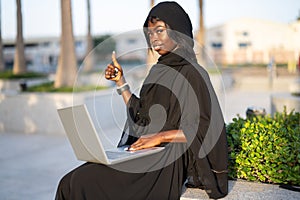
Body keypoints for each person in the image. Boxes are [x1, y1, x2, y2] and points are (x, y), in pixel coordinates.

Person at [55, 1, 228, 199]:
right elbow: (142, 115)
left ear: (179, 31)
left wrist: (161, 137)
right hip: (146, 151)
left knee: (78, 183)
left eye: (160, 30)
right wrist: (121, 82)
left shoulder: (193, 73)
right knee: (71, 181)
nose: (154, 38)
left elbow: (207, 128)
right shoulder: (158, 71)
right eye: (150, 33)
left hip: (167, 160)